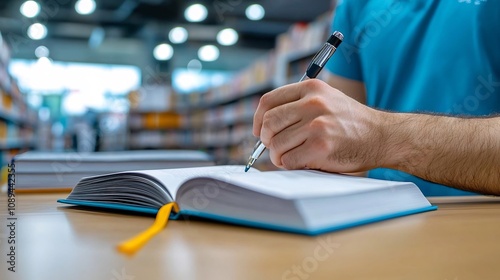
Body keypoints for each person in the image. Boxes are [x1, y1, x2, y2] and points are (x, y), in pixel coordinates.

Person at [252, 0, 500, 196]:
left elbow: (357, 135)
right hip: (381, 219)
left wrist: (381, 137)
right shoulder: (354, 6)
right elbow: (336, 144)